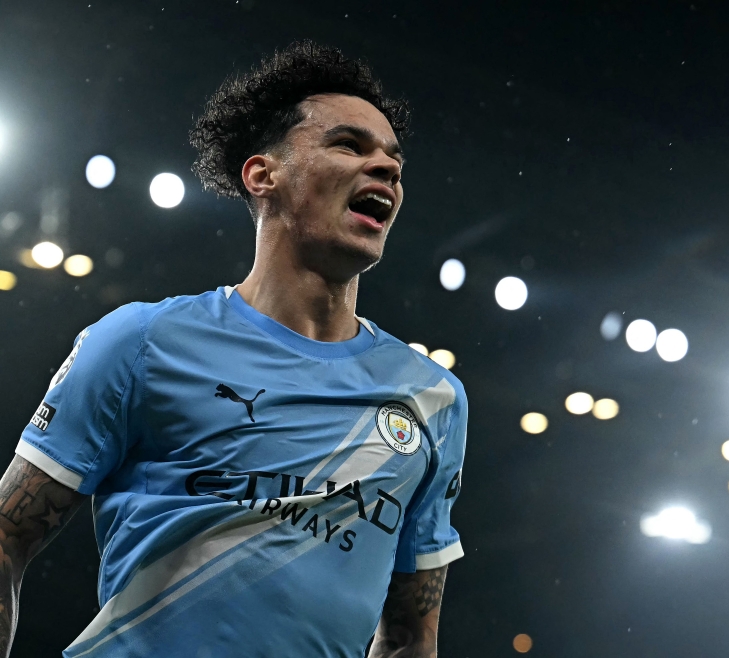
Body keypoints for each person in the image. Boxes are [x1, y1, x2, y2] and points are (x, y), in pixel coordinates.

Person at [0, 40, 467, 658]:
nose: (386, 167)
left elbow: (411, 639)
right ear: (262, 174)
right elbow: (7, 536)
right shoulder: (142, 341)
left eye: (393, 158)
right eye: (349, 145)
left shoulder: (433, 399)